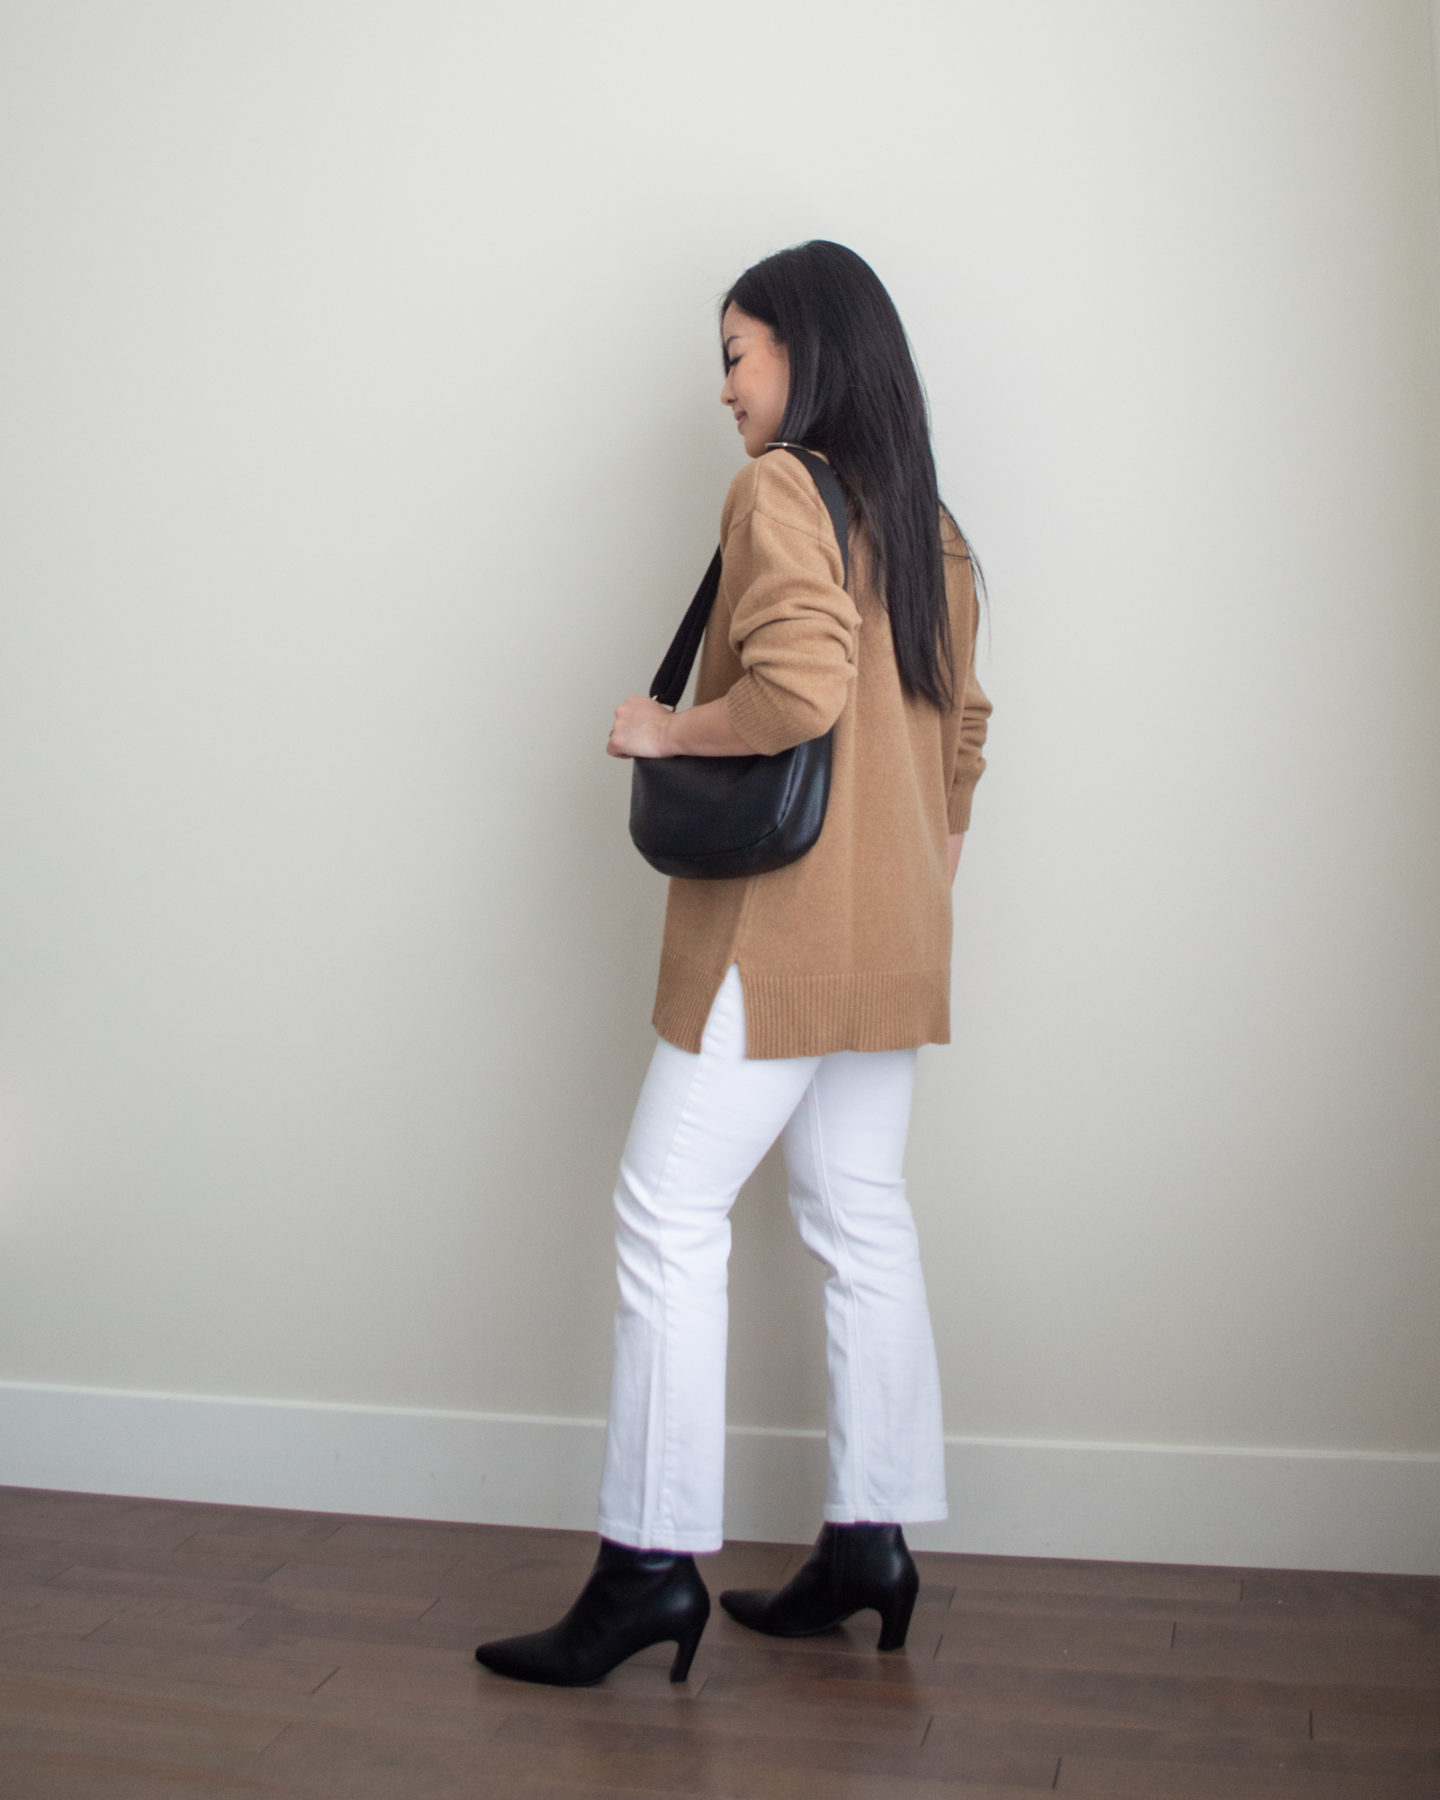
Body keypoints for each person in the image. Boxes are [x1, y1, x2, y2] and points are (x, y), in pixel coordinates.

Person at [475, 239, 992, 1687]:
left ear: (807, 355)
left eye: (737, 353)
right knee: (860, 1218)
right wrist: (916, 888)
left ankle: (648, 1567)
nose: (724, 390)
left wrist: (663, 731)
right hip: (890, 944)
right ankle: (870, 1539)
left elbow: (798, 688)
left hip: (780, 937)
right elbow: (960, 737)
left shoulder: (781, 491)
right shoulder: (932, 525)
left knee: (663, 1215)